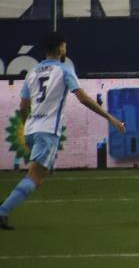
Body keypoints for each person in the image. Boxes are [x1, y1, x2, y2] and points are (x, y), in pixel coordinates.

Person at [0, 32, 126, 230]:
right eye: (65, 46)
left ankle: (5, 206)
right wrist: (110, 117)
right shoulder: (64, 70)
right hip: (48, 131)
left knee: (37, 176)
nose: (65, 49)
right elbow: (83, 99)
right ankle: (3, 211)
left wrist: (26, 128)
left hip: (32, 129)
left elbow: (23, 106)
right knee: (35, 178)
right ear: (60, 49)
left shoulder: (32, 72)